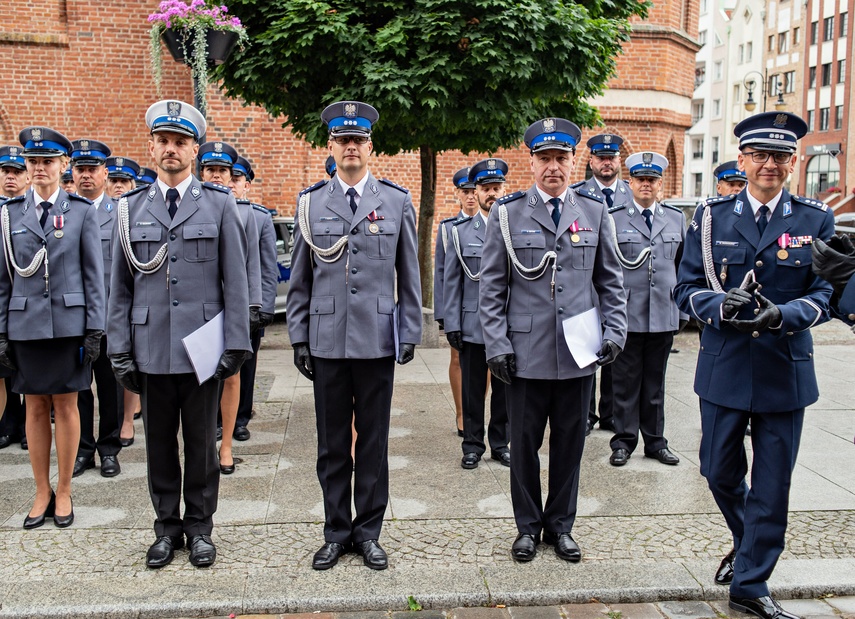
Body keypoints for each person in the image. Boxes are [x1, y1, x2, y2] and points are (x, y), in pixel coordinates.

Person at [675, 111, 833, 619]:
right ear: (742, 160)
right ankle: (749, 548)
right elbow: (685, 288)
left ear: (794, 163)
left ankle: (751, 583)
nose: (770, 165)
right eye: (760, 156)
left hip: (784, 368)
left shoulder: (815, 219)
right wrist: (719, 306)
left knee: (772, 484)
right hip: (724, 364)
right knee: (717, 470)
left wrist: (783, 314)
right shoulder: (711, 216)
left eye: (780, 157)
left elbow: (827, 293)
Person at [107, 100, 251, 568]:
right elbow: (120, 289)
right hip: (151, 347)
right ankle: (167, 528)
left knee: (201, 444)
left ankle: (200, 527)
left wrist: (236, 342)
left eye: (181, 142)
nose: (172, 149)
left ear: (194, 150)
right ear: (152, 147)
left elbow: (236, 280)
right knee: (159, 446)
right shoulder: (130, 210)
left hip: (202, 348)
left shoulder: (219, 204)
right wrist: (119, 349)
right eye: (164, 141)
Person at [479, 117, 627, 563]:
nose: (554, 167)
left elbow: (611, 281)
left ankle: (561, 526)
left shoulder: (594, 212)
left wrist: (616, 330)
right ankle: (527, 527)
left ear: (572, 161)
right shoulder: (508, 214)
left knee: (570, 444)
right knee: (523, 445)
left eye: (562, 158)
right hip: (524, 353)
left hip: (579, 354)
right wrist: (497, 345)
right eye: (545, 159)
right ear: (532, 162)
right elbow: (491, 287)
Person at [287, 100, 422, 571]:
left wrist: (408, 330)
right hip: (326, 339)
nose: (350, 147)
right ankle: (335, 531)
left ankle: (368, 532)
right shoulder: (310, 203)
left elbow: (409, 273)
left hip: (376, 340)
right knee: (330, 443)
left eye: (358, 140)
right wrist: (299, 336)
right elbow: (300, 279)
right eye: (343, 141)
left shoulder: (395, 201)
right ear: (331, 146)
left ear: (370, 146)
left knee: (373, 442)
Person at [0, 126, 105, 529]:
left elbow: (94, 277)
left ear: (63, 165)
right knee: (34, 405)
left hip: (68, 325)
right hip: (25, 325)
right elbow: (3, 279)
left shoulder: (79, 212)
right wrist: (1, 332)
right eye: (33, 162)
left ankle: (64, 490)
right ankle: (40, 489)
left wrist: (94, 328)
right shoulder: (10, 214)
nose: (40, 168)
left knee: (66, 403)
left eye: (47, 161)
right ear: (27, 167)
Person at [606, 152, 684, 467]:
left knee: (655, 382)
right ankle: (623, 442)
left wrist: (683, 311)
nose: (646, 185)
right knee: (624, 382)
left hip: (663, 313)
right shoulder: (613, 217)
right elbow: (606, 270)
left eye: (652, 180)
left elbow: (683, 268)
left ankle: (655, 442)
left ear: (660, 184)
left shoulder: (676, 218)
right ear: (631, 183)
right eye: (641, 179)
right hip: (628, 314)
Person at [196, 140, 261, 473]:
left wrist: (251, 306)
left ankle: (226, 447)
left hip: (232, 307)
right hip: (200, 310)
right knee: (202, 381)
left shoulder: (244, 212)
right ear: (202, 172)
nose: (217, 177)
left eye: (223, 171)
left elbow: (249, 266)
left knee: (232, 378)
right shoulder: (189, 208)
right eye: (211, 170)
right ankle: (205, 441)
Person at [444, 158, 511, 469]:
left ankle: (501, 443)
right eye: (486, 189)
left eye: (497, 187)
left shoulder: (516, 228)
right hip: (472, 323)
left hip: (509, 325)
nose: (491, 193)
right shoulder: (460, 232)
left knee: (505, 389)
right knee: (472, 390)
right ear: (478, 193)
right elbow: (452, 281)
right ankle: (472, 444)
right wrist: (452, 324)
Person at [69, 139, 123, 478]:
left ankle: (109, 449)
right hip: (73, 318)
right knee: (78, 388)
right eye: (80, 169)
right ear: (72, 173)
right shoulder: (66, 212)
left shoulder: (121, 213)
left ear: (105, 173)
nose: (86, 175)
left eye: (92, 169)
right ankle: (82, 449)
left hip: (108, 319)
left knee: (110, 387)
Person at [575, 134, 630, 435]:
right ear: (592, 162)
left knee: (615, 353)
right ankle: (587, 414)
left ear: (618, 161)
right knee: (587, 353)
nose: (606, 162)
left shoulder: (632, 196)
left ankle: (610, 414)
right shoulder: (577, 195)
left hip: (619, 290)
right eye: (600, 157)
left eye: (611, 157)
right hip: (585, 291)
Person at [230, 155, 277, 442]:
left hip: (249, 306)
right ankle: (217, 419)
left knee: (246, 365)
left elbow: (268, 267)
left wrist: (265, 308)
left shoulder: (259, 218)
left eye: (236, 179)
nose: (230, 183)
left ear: (246, 185)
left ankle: (240, 418)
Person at [434, 167, 478, 437]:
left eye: (475, 191)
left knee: (486, 362)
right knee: (458, 358)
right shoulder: (448, 229)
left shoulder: (496, 224)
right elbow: (440, 273)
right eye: (466, 192)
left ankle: (477, 410)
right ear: (457, 194)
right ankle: (462, 413)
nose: (471, 197)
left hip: (484, 304)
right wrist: (442, 312)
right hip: (457, 304)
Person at [0, 145, 29, 450]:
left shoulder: (27, 209)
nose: (10, 177)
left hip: (24, 300)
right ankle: (8, 424)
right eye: (6, 171)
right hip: (3, 298)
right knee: (3, 370)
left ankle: (24, 426)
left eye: (16, 171)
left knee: (25, 367)